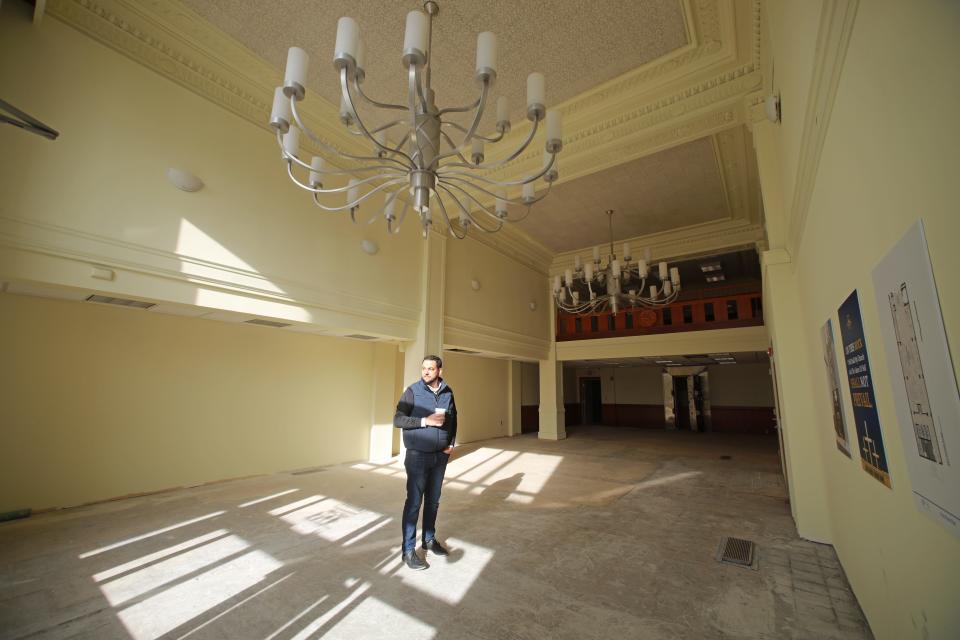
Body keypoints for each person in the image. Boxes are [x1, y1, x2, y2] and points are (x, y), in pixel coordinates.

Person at [393, 355, 457, 570]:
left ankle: (429, 540)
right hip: (417, 455)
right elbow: (398, 420)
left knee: (433, 501)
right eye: (424, 368)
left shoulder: (448, 392)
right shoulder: (412, 391)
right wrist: (425, 420)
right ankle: (408, 551)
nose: (426, 372)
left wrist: (451, 444)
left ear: (439, 370)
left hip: (440, 456)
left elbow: (453, 419)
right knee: (414, 503)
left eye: (430, 369)